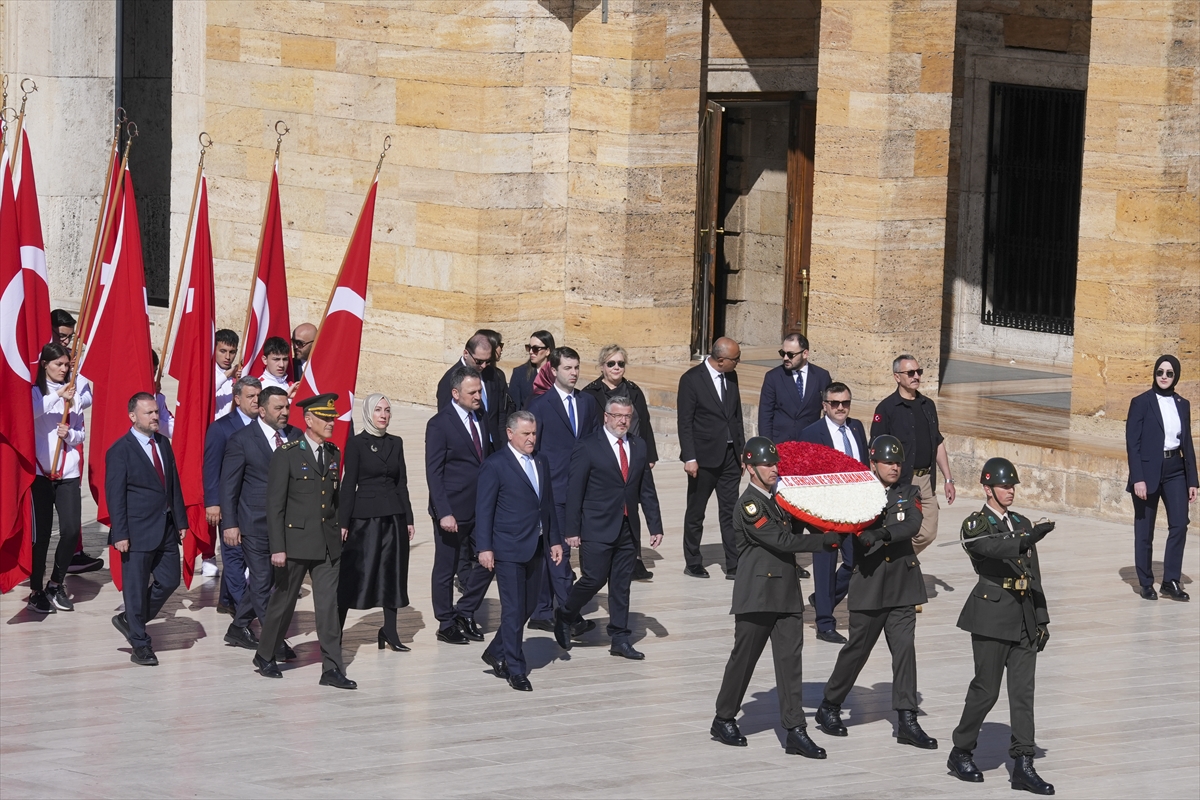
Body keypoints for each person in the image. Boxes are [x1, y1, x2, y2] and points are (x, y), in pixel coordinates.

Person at [710, 436, 837, 757]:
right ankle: (724, 717)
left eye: (775, 463)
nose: (773, 469)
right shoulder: (749, 504)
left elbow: (801, 522)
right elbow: (782, 541)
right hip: (758, 595)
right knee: (744, 659)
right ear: (749, 468)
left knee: (790, 663)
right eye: (767, 464)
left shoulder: (780, 500)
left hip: (786, 595)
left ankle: (795, 730)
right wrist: (824, 542)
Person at [815, 435, 936, 750]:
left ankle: (907, 719)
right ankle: (830, 705)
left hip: (902, 585)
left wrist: (882, 532)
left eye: (898, 463)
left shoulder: (908, 493)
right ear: (874, 463)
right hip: (869, 583)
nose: (894, 468)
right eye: (888, 462)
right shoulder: (859, 494)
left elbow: (912, 525)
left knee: (905, 650)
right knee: (857, 650)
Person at [948, 458, 1055, 794]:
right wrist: (1024, 539)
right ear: (987, 489)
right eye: (1004, 486)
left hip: (1023, 616)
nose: (1010, 491)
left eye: (1012, 486)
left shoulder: (1022, 522)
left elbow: (1032, 573)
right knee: (986, 689)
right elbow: (988, 549)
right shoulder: (975, 524)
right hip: (991, 615)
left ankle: (1023, 763)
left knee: (1023, 693)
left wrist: (1041, 617)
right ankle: (961, 749)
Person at [252, 393, 355, 689]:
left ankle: (332, 668)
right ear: (308, 420)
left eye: (333, 418)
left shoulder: (334, 453)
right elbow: (275, 505)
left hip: (326, 545)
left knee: (328, 607)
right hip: (295, 542)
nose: (331, 423)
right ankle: (266, 654)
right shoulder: (288, 453)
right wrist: (278, 547)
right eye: (325, 418)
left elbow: (332, 500)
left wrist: (339, 532)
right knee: (283, 603)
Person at [554, 397, 664, 660]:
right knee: (594, 578)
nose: (622, 421)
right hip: (596, 526)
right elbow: (575, 490)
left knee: (621, 584)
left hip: (627, 527)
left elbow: (646, 489)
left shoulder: (638, 446)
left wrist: (655, 524)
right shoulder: (588, 446)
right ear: (606, 417)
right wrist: (572, 530)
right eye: (617, 416)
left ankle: (619, 638)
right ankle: (566, 614)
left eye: (627, 416)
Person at [475, 411, 563, 691]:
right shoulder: (496, 465)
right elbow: (484, 510)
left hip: (535, 545)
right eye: (526, 434)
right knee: (512, 610)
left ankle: (495, 650)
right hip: (508, 548)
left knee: (526, 607)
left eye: (534, 433)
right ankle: (516, 668)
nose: (531, 439)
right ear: (510, 434)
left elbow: (546, 504)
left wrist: (554, 540)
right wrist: (484, 547)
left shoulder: (541, 461)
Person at [106, 392, 189, 666]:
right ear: (133, 416)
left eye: (156, 412)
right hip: (136, 531)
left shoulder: (163, 443)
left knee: (170, 580)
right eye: (149, 413)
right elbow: (115, 496)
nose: (155, 417)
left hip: (166, 527)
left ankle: (132, 618)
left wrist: (181, 521)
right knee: (135, 587)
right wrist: (120, 533)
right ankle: (140, 644)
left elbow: (172, 484)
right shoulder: (120, 451)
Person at [220, 385, 300, 660]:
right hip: (254, 523)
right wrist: (229, 524)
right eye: (278, 408)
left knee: (275, 582)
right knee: (263, 580)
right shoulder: (241, 440)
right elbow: (229, 486)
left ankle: (238, 626)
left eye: (287, 407)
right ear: (262, 410)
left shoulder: (295, 436)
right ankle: (274, 641)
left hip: (287, 524)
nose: (285, 413)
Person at [526, 347, 599, 633]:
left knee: (554, 552)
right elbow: (533, 449)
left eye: (577, 367)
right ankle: (568, 612)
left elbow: (593, 442)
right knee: (559, 551)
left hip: (582, 490)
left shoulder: (588, 402)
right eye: (568, 368)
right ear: (554, 370)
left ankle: (543, 611)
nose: (574, 373)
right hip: (553, 490)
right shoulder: (540, 406)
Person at [338, 394, 416, 652]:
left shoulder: (397, 442)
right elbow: (349, 484)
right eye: (378, 410)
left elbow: (401, 482)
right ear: (369, 413)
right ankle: (335, 632)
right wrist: (343, 521)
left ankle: (390, 631)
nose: (383, 415)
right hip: (364, 518)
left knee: (392, 573)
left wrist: (409, 518)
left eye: (388, 411)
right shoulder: (357, 443)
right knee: (355, 574)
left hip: (393, 517)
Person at [425, 365, 495, 645]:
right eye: (472, 392)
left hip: (482, 507)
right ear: (456, 394)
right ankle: (445, 621)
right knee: (447, 567)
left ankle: (465, 611)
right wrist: (444, 512)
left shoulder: (481, 416)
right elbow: (434, 471)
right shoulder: (439, 424)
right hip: (452, 510)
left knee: (490, 559)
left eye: (479, 390)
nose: (478, 396)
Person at [799, 382, 869, 644]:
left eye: (846, 403)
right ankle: (825, 624)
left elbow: (863, 466)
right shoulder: (811, 433)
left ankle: (823, 600)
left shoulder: (857, 427)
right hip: (825, 513)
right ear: (825, 405)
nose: (841, 408)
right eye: (836, 403)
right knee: (825, 566)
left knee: (855, 562)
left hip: (854, 510)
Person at [582, 344, 658, 581]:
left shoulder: (634, 391)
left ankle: (633, 557)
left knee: (631, 506)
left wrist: (650, 455)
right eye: (611, 363)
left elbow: (644, 423)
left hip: (632, 455)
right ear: (602, 366)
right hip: (605, 457)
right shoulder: (590, 393)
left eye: (620, 363)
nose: (616, 368)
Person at [1125, 355, 1197, 601]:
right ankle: (1146, 582)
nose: (1164, 377)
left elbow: (1187, 443)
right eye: (1160, 372)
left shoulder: (1182, 404)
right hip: (1147, 471)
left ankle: (1170, 581)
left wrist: (1193, 480)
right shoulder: (1141, 402)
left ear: (1176, 376)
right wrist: (1138, 479)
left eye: (1169, 373)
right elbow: (1132, 444)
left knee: (1179, 524)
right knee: (1145, 530)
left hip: (1176, 469)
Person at [27, 343, 90, 614]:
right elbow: (31, 413)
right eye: (58, 365)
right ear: (45, 365)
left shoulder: (75, 392)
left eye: (66, 365)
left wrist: (70, 434)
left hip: (68, 472)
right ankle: (36, 589)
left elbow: (80, 432)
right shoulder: (35, 391)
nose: (64, 370)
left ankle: (56, 582)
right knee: (40, 536)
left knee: (71, 530)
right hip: (41, 472)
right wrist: (59, 397)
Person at [870, 354, 955, 553]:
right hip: (901, 481)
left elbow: (937, 442)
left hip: (926, 480)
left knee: (928, 532)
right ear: (897, 377)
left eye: (919, 372)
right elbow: (874, 448)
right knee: (899, 527)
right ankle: (897, 565)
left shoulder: (928, 405)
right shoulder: (886, 408)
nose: (916, 376)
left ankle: (896, 558)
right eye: (910, 373)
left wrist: (948, 479)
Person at [677, 336, 745, 579]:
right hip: (703, 458)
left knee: (731, 511)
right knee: (696, 511)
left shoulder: (732, 376)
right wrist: (690, 457)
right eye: (735, 359)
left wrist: (742, 452)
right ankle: (693, 561)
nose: (738, 363)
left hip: (729, 457)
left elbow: (736, 417)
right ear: (721, 360)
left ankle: (734, 563)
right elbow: (685, 422)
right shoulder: (692, 380)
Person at [49, 309, 105, 576]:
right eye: (61, 337)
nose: (66, 344)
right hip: (40, 440)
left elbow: (86, 397)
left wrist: (72, 389)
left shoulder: (70, 363)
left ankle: (73, 552)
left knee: (70, 508)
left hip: (68, 436)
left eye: (69, 338)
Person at [204, 376, 261, 610]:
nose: (257, 400)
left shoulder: (264, 425)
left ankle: (226, 600)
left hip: (254, 505)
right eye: (251, 396)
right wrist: (213, 502)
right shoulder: (221, 428)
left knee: (245, 556)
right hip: (231, 505)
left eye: (259, 395)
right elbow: (211, 467)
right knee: (234, 556)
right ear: (237, 399)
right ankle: (241, 608)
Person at [758, 333, 831, 444]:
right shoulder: (773, 377)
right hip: (781, 443)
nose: (785, 358)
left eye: (790, 355)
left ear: (805, 353)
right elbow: (765, 415)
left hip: (811, 443)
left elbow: (829, 412)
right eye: (783, 353)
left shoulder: (821, 376)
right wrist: (768, 447)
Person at [510, 330, 554, 411]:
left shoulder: (557, 373)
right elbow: (514, 406)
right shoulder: (520, 373)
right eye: (529, 347)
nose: (530, 352)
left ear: (547, 351)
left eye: (535, 349)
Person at [213, 329, 241, 419]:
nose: (227, 357)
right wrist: (226, 375)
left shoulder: (240, 375)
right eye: (223, 351)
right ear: (214, 349)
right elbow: (205, 393)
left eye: (232, 352)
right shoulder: (207, 374)